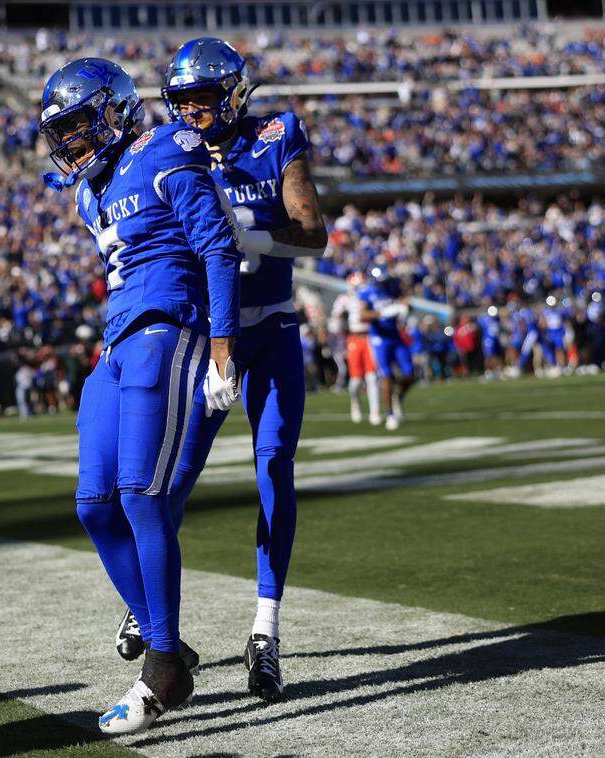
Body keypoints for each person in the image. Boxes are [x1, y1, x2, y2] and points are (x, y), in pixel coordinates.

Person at [38, 56, 241, 733]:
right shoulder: (87, 191)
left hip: (167, 327)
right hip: (116, 342)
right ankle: (169, 645)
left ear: (113, 109)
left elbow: (215, 247)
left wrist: (221, 347)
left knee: (140, 494)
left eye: (75, 125)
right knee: (94, 504)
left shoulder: (165, 147)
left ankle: (159, 668)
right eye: (58, 132)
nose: (67, 142)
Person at [153, 37, 327, 703]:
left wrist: (249, 236)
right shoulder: (168, 151)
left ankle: (265, 630)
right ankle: (151, 607)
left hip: (275, 327)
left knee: (274, 463)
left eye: (206, 99)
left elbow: (313, 230)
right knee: (171, 478)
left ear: (234, 94)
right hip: (206, 337)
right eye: (185, 102)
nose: (195, 113)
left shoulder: (276, 135)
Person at [359, 267, 413, 429]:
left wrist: (404, 307)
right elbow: (362, 315)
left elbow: (405, 300)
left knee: (410, 374)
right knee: (386, 376)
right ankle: (390, 414)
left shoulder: (392, 286)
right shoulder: (367, 292)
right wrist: (382, 313)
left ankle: (398, 397)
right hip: (379, 339)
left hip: (395, 336)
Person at [332, 272, 381, 424]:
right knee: (356, 381)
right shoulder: (344, 299)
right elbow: (336, 319)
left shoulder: (370, 297)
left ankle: (375, 412)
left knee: (372, 377)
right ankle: (356, 403)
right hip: (353, 338)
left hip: (369, 337)